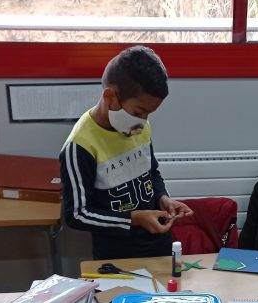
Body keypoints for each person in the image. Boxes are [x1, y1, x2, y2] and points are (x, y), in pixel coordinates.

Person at [60, 45, 193, 260]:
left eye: (148, 114)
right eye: (139, 112)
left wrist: (163, 198)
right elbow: (77, 215)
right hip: (117, 255)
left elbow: (151, 173)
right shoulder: (80, 146)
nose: (142, 122)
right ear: (110, 96)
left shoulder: (140, 126)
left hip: (158, 245)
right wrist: (134, 218)